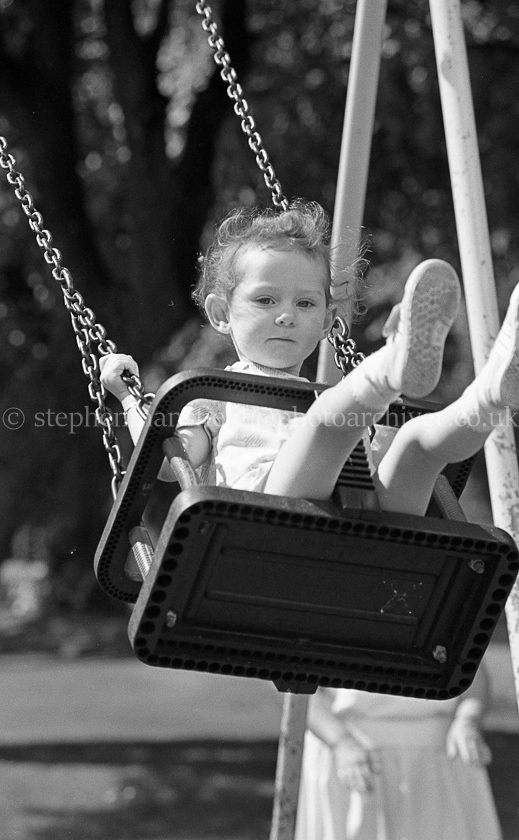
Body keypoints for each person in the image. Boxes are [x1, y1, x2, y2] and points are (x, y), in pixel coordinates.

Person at [99, 199, 519, 522]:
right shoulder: (218, 394)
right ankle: (392, 364)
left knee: (413, 446)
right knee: (329, 423)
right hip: (259, 515)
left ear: (326, 322)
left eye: (305, 303)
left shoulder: (330, 399)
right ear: (221, 314)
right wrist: (128, 399)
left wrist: (379, 447)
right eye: (265, 300)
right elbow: (172, 458)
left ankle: (489, 396)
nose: (287, 315)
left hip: (361, 522)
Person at [297, 661, 502, 840]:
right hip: (351, 758)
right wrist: (341, 741)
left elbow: (472, 673)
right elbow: (299, 683)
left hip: (439, 759)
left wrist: (467, 720)